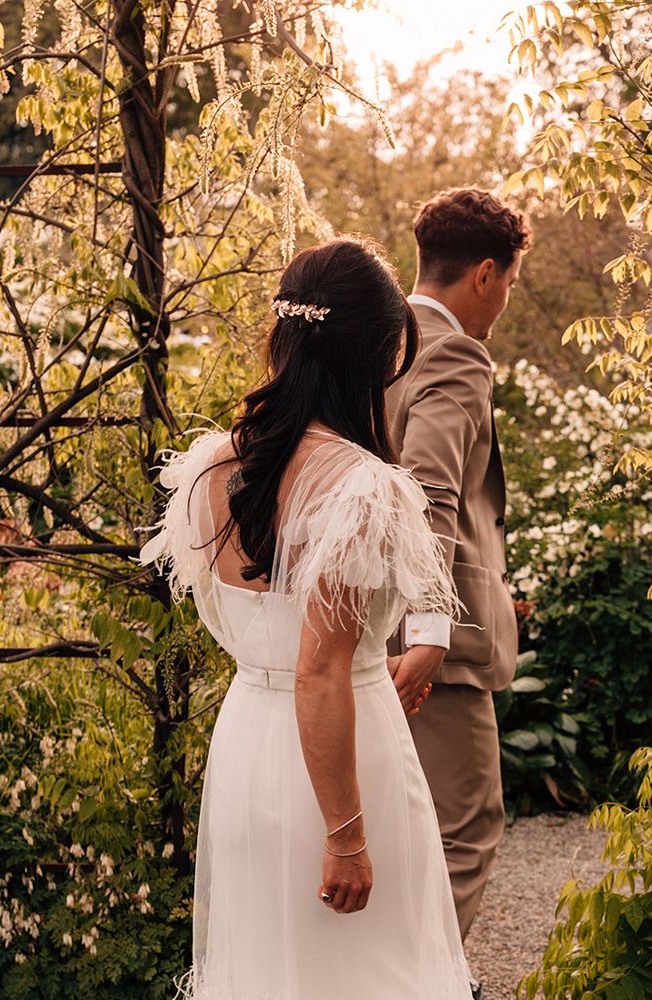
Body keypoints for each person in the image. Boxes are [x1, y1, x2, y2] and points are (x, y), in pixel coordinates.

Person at [140, 238, 473, 999]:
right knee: (369, 973)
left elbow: (251, 625)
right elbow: (319, 668)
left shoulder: (211, 468)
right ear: (373, 357)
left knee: (268, 973)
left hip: (249, 748)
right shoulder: (360, 487)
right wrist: (347, 835)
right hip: (341, 763)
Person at [386, 188, 531, 947]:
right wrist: (430, 627)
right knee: (466, 828)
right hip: (430, 650)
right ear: (484, 273)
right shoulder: (452, 353)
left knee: (389, 822)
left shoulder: (372, 342)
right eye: (508, 282)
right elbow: (430, 491)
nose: (504, 300)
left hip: (359, 625)